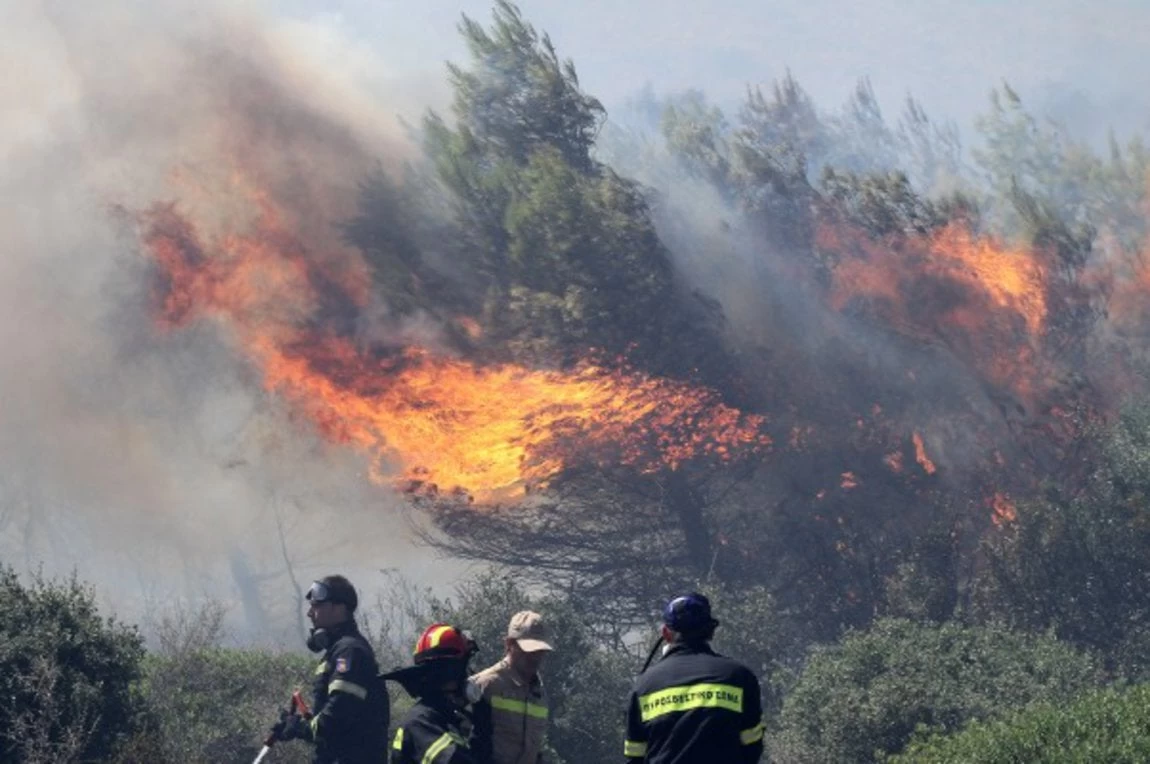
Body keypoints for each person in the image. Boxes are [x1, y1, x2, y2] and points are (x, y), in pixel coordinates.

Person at [624, 593, 763, 763]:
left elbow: (635, 755)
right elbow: (752, 746)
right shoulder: (739, 677)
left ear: (666, 633)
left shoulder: (644, 684)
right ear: (711, 632)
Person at [270, 575, 389, 763]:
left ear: (339, 608)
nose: (310, 613)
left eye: (316, 606)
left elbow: (337, 716)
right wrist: (291, 724)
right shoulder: (338, 651)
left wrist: (300, 728)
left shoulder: (349, 651)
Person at [386, 623, 485, 764]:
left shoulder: (447, 717)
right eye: (466, 667)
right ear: (452, 672)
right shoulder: (421, 721)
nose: (471, 675)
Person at [470, 611, 553, 764]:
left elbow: (535, 749)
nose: (535, 657)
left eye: (540, 651)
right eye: (529, 650)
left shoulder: (539, 694)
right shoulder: (485, 685)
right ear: (509, 644)